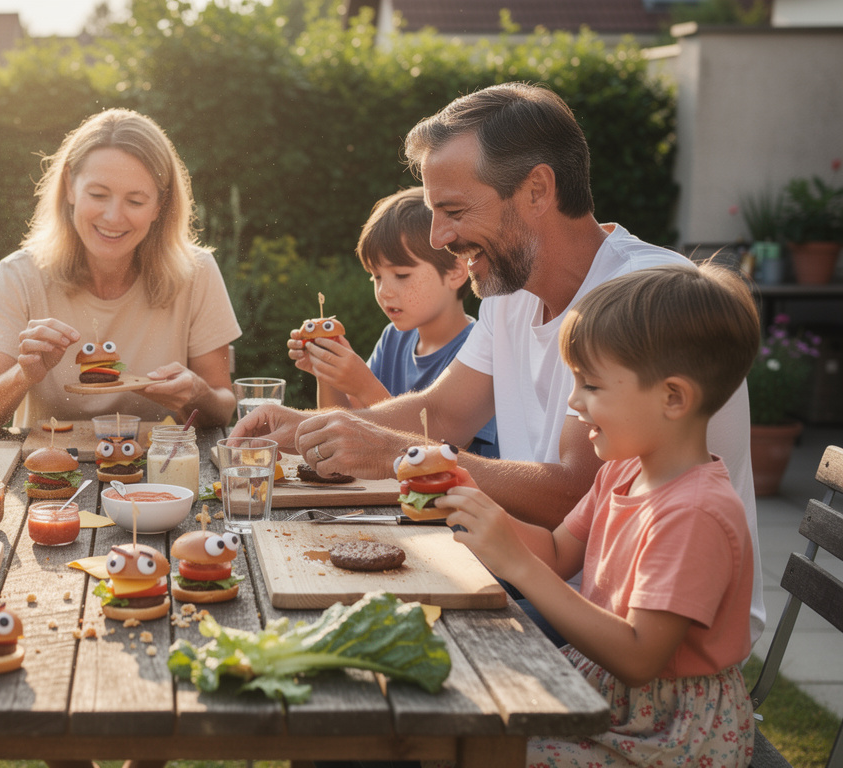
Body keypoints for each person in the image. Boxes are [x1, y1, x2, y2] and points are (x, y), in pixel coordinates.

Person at [231, 82, 765, 645]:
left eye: (454, 210)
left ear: (537, 188)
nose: (439, 237)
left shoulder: (645, 300)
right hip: (548, 583)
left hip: (620, 622)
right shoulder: (510, 287)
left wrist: (403, 458)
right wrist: (307, 428)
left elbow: (577, 490)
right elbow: (443, 411)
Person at [437, 264, 758, 766]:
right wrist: (475, 498)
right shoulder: (623, 471)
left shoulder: (695, 513)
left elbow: (637, 657)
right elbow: (560, 552)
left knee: (474, 747)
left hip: (667, 732)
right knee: (452, 714)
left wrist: (517, 564)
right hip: (609, 694)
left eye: (591, 386)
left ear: (673, 397)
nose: (574, 401)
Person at [0, 108, 241, 430]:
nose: (113, 216)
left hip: (162, 469)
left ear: (159, 206)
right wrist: (23, 375)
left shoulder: (197, 273)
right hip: (44, 473)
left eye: (135, 201)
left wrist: (197, 392)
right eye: (98, 194)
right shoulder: (20, 276)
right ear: (69, 186)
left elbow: (222, 411)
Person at [289, 187, 497, 457]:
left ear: (456, 272)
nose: (384, 291)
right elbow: (346, 425)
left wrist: (365, 386)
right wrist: (327, 372)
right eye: (376, 277)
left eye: (401, 274)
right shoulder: (394, 339)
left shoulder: (477, 349)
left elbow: (439, 455)